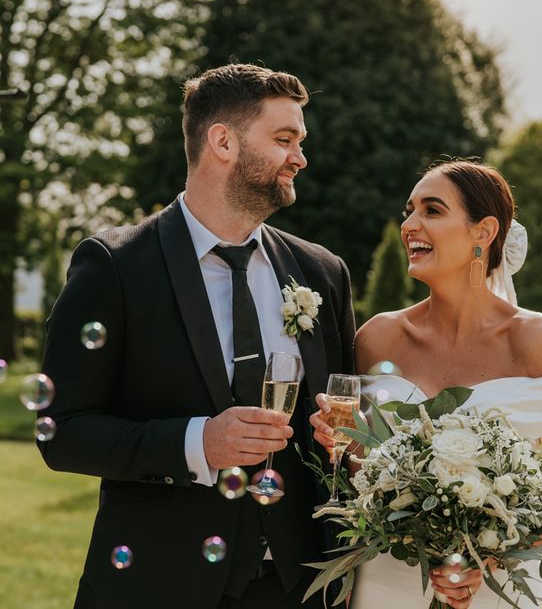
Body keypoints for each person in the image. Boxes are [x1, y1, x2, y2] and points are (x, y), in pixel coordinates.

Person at [37, 64, 355, 608]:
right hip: (157, 582)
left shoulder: (321, 272)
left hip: (298, 589)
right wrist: (196, 443)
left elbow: (350, 417)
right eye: (284, 140)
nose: (300, 158)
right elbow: (61, 431)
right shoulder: (115, 266)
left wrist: (341, 435)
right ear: (223, 141)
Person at [312, 160, 542, 609]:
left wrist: (489, 558)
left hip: (491, 590)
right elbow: (359, 473)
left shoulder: (533, 340)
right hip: (386, 580)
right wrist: (337, 444)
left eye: (432, 210)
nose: (409, 224)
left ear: (482, 232)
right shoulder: (376, 337)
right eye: (409, 210)